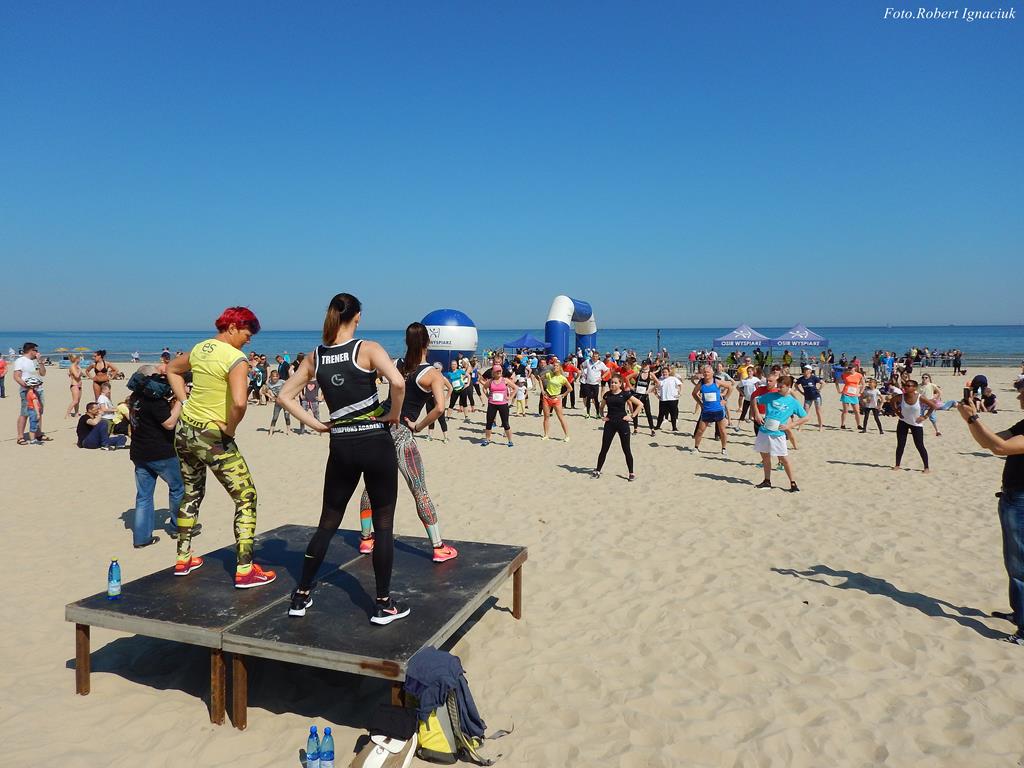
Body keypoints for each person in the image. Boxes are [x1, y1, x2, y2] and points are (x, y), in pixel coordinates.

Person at [279, 294, 411, 625]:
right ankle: (383, 604)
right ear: (358, 317)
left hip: (341, 445)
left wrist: (318, 425)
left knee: (328, 521)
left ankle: (301, 594)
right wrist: (393, 414)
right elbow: (397, 382)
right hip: (375, 442)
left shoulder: (316, 356)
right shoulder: (367, 349)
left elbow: (284, 396)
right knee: (383, 523)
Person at [292, 321, 459, 565]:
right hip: (402, 432)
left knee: (371, 488)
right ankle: (438, 546)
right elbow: (440, 408)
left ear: (406, 342)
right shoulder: (432, 374)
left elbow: (366, 377)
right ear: (428, 343)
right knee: (419, 489)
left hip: (378, 428)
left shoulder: (396, 364)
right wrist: (419, 426)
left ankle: (366, 539)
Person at [166, 306, 276, 588]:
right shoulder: (235, 358)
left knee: (191, 493)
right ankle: (245, 569)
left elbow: (172, 369)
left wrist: (185, 402)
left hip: (185, 431)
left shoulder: (201, 348)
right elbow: (239, 402)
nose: (249, 340)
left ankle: (183, 557)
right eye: (247, 333)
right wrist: (230, 428)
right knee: (246, 497)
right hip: (212, 436)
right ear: (232, 327)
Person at [958, 380, 1024, 645]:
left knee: (1020, 565)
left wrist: (973, 418)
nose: (1019, 397)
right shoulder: (1022, 424)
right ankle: (1019, 612)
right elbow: (989, 442)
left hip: (1021, 500)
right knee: (1014, 562)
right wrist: (971, 419)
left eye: (1022, 393)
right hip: (1012, 498)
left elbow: (1000, 448)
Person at [128, 366, 184, 548]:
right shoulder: (153, 400)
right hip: (161, 453)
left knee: (144, 496)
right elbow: (169, 423)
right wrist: (181, 401)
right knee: (178, 488)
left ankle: (142, 538)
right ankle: (177, 527)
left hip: (139, 452)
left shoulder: (134, 398)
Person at [751, 375, 808, 491]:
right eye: (778, 386)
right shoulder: (771, 396)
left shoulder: (793, 402)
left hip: (778, 434)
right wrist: (757, 414)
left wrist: (789, 426)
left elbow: (805, 418)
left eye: (781, 387)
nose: (779, 389)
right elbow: (754, 400)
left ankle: (793, 483)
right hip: (764, 431)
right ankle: (767, 481)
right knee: (765, 457)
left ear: (788, 387)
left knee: (784, 459)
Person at [593, 374, 642, 481]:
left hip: (622, 424)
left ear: (620, 384)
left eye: (615, 383)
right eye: (611, 382)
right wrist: (602, 416)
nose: (613, 384)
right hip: (610, 424)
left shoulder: (625, 394)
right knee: (604, 448)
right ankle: (597, 470)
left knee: (626, 449)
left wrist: (632, 416)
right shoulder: (607, 395)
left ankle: (631, 473)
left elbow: (639, 404)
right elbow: (601, 407)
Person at [891, 379, 934, 474]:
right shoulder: (901, 397)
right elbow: (892, 401)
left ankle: (926, 467)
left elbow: (933, 406)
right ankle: (897, 465)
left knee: (920, 445)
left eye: (908, 386)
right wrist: (897, 412)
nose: (905, 387)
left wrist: (925, 416)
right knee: (900, 445)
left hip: (916, 424)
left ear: (914, 388)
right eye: (905, 385)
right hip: (903, 422)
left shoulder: (920, 397)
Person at [14, 342, 47, 445]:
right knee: (25, 413)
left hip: (39, 389)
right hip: (27, 390)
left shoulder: (35, 361)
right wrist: (27, 387)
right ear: (31, 350)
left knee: (39, 412)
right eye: (36, 350)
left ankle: (38, 433)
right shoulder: (20, 360)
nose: (37, 352)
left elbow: (43, 373)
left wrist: (40, 362)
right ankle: (20, 436)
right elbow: (16, 376)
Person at [692, 365, 729, 455]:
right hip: (706, 411)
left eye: (708, 372)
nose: (706, 374)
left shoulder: (717, 382)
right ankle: (696, 448)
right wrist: (700, 403)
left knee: (722, 431)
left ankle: (724, 449)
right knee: (700, 431)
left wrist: (725, 399)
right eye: (704, 372)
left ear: (712, 373)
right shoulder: (701, 383)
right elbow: (694, 393)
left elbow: (730, 387)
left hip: (718, 410)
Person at [482, 365, 515, 447]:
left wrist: (510, 397)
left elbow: (515, 388)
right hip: (492, 404)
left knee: (505, 423)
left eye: (500, 371)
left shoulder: (505, 380)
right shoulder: (490, 381)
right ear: (493, 372)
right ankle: (487, 439)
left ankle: (510, 441)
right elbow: (484, 388)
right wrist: (488, 396)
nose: (499, 372)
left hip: (503, 404)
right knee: (489, 423)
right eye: (497, 371)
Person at [540, 362, 571, 441]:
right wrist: (542, 390)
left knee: (561, 417)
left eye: (557, 366)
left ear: (560, 367)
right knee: (546, 417)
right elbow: (540, 379)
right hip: (547, 397)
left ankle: (567, 436)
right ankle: (546, 435)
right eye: (554, 366)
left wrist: (562, 395)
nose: (555, 367)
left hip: (556, 399)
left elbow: (570, 388)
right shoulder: (549, 374)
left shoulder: (562, 378)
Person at [631, 361, 657, 437]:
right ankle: (635, 429)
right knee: (635, 412)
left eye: (646, 365)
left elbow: (658, 383)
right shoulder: (638, 373)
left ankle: (652, 429)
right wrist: (631, 387)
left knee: (648, 413)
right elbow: (626, 378)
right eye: (643, 365)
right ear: (641, 365)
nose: (645, 366)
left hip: (645, 396)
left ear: (648, 365)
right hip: (636, 395)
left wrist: (650, 390)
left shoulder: (650, 374)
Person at [654, 365, 683, 432]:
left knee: (673, 414)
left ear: (669, 372)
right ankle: (658, 426)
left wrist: (680, 392)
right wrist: (657, 395)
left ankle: (674, 427)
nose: (664, 373)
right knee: (661, 414)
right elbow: (655, 388)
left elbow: (680, 384)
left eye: (666, 372)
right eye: (663, 372)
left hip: (673, 399)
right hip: (663, 400)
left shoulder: (673, 378)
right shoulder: (660, 379)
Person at [795, 364, 824, 431]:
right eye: (804, 369)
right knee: (804, 412)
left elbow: (823, 383)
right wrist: (801, 392)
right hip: (807, 397)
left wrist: (819, 390)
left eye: (807, 369)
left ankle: (820, 427)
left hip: (816, 396)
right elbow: (796, 385)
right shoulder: (801, 379)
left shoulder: (814, 377)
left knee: (818, 412)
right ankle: (800, 427)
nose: (805, 370)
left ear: (810, 371)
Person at [580, 352, 607, 418]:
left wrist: (602, 377)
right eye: (594, 356)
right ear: (592, 356)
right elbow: (581, 365)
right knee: (588, 399)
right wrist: (583, 373)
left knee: (595, 399)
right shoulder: (588, 361)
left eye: (596, 356)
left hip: (595, 384)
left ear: (598, 357)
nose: (595, 358)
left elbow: (607, 370)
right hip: (588, 383)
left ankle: (597, 414)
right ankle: (588, 413)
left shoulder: (601, 363)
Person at [265, 370, 292, 436]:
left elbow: (290, 386)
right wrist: (271, 397)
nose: (275, 378)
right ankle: (271, 431)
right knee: (275, 417)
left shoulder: (282, 382)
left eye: (276, 376)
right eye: (273, 376)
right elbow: (264, 391)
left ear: (278, 377)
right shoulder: (269, 383)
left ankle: (288, 431)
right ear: (271, 377)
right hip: (278, 402)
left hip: (285, 402)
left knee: (287, 417)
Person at [838, 365, 863, 431]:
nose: (850, 370)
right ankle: (842, 424)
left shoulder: (859, 375)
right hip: (846, 393)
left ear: (854, 368)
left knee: (857, 411)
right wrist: (838, 390)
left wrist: (860, 392)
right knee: (845, 410)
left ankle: (859, 425)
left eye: (851, 368)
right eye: (849, 368)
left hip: (854, 394)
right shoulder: (845, 374)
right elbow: (837, 381)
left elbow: (863, 384)